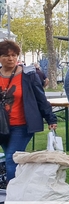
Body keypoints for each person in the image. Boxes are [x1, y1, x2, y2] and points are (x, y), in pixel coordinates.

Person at [0, 40, 57, 187]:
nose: (11, 58)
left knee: (12, 158)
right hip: (2, 126)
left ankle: (12, 194)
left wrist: (50, 117)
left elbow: (40, 98)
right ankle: (23, 187)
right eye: (6, 55)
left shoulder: (28, 75)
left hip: (22, 125)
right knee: (13, 159)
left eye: (14, 55)